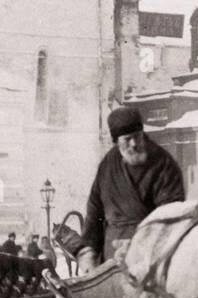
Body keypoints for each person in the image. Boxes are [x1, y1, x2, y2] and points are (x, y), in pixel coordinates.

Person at [77, 106, 185, 274]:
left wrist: (138, 244)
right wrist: (88, 251)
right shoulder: (107, 165)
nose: (134, 144)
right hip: (111, 259)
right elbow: (94, 213)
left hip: (150, 258)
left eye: (137, 137)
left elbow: (170, 216)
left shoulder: (163, 163)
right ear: (116, 141)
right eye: (127, 139)